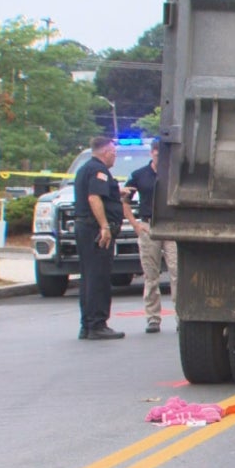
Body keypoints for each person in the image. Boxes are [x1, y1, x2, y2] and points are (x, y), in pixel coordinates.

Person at [122, 139, 178, 334]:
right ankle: (153, 317)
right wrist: (135, 224)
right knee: (151, 275)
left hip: (170, 226)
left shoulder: (172, 173)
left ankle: (181, 317)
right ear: (151, 152)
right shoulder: (139, 175)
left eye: (162, 152)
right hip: (148, 225)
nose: (158, 155)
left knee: (176, 273)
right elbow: (125, 200)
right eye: (156, 151)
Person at [74, 136, 126, 340]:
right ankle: (97, 324)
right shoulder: (99, 170)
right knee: (99, 277)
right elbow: (94, 197)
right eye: (114, 153)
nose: (115, 157)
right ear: (105, 152)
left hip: (85, 228)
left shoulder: (85, 168)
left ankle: (87, 325)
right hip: (95, 230)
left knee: (88, 277)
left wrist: (117, 193)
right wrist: (104, 226)